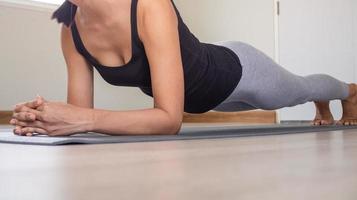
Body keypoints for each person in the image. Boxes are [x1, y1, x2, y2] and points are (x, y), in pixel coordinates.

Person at [9, 0, 357, 136]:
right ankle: (324, 101)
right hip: (203, 96)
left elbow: (168, 119)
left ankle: (348, 92)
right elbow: (79, 117)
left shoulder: (149, 5)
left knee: (297, 90)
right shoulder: (70, 29)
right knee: (293, 95)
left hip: (236, 70)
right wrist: (45, 118)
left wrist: (79, 118)